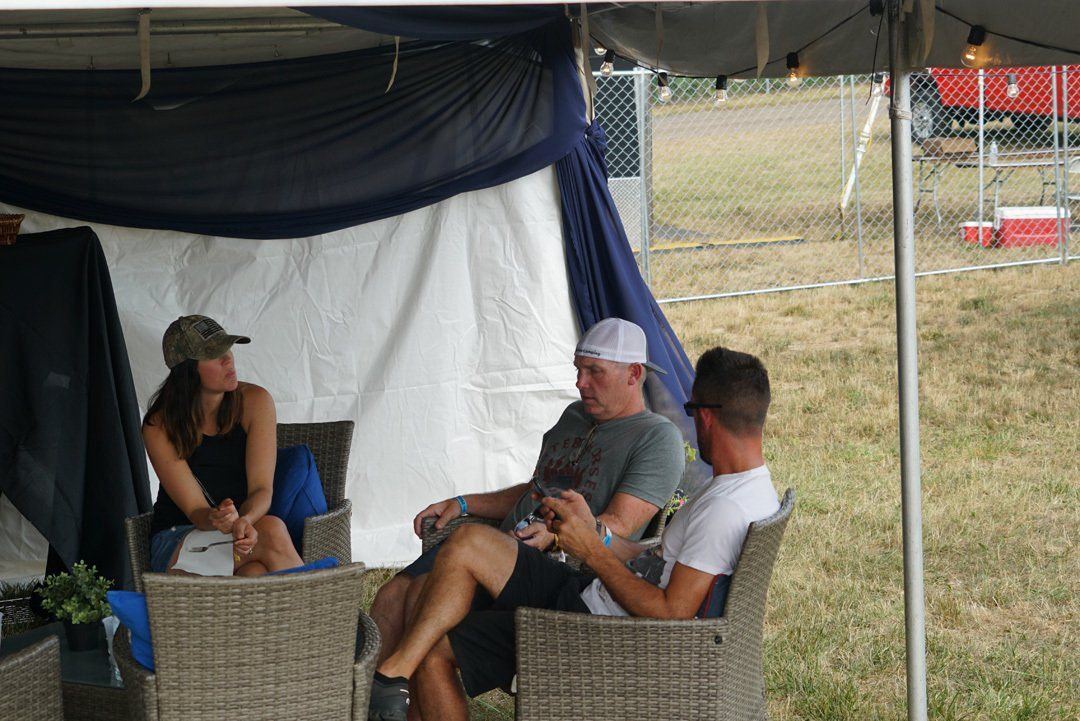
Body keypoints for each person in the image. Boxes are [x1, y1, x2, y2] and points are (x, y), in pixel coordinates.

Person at [367, 346, 779, 721]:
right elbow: (655, 563)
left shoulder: (723, 509)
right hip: (591, 598)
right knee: (467, 543)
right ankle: (394, 674)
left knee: (433, 650)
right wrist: (596, 533)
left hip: (596, 632)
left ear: (705, 416)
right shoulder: (747, 489)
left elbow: (670, 613)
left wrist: (591, 552)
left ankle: (391, 674)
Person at [370, 318, 685, 672]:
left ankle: (392, 684)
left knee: (420, 594)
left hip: (554, 570)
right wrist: (464, 503)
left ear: (633, 373)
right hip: (497, 544)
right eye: (578, 370)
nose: (580, 383)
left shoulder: (657, 438)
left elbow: (620, 525)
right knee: (392, 594)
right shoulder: (575, 415)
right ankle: (375, 696)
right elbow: (537, 488)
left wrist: (558, 533)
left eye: (594, 372)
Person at [143, 314, 303, 576]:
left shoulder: (255, 401)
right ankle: (324, 601)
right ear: (187, 371)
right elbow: (196, 510)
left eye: (227, 348)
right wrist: (217, 518)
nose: (228, 359)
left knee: (255, 572)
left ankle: (315, 601)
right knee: (272, 530)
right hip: (177, 539)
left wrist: (245, 520)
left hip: (241, 536)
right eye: (214, 354)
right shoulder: (159, 425)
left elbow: (262, 489)